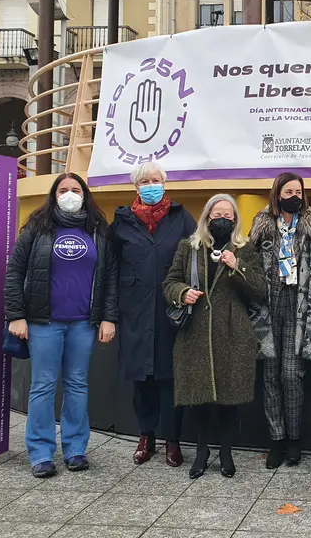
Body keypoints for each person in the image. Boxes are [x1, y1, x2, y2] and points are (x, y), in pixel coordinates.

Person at [5, 173, 118, 478]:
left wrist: (109, 317)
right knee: (43, 385)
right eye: (63, 190)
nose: (70, 194)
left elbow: (109, 278)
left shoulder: (98, 231)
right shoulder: (37, 228)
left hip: (83, 322)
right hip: (44, 321)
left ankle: (75, 448)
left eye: (76, 190)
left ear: (85, 195)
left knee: (78, 384)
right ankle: (41, 452)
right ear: (54, 195)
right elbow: (14, 270)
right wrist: (15, 315)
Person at [162, 194, 267, 480]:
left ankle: (226, 452)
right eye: (217, 213)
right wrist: (183, 293)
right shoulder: (190, 247)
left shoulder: (244, 249)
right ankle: (201, 451)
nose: (222, 219)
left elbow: (261, 290)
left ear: (235, 220)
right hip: (196, 332)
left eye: (228, 215)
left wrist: (238, 267)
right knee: (200, 398)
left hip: (233, 332)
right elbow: (170, 282)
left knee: (229, 398)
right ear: (207, 217)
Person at [110, 162, 197, 468]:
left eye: (155, 180)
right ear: (136, 187)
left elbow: (195, 261)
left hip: (171, 311)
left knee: (170, 379)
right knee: (142, 380)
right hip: (134, 311)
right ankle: (146, 436)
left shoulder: (181, 217)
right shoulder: (121, 221)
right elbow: (110, 268)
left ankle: (173, 439)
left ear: (165, 183)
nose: (151, 184)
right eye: (144, 181)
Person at [250, 172, 311, 469]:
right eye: (288, 191)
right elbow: (251, 263)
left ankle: (294, 439)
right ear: (277, 194)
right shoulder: (263, 224)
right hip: (269, 302)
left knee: (292, 375)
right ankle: (276, 440)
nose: (294, 196)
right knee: (270, 376)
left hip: (298, 303)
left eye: (298, 191)